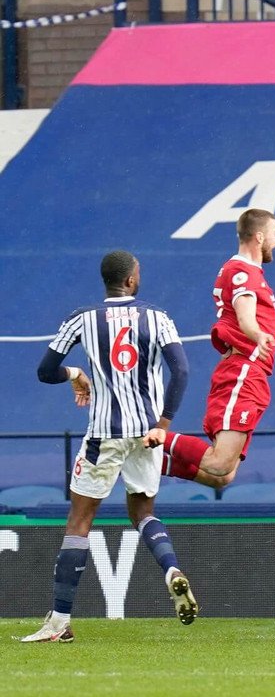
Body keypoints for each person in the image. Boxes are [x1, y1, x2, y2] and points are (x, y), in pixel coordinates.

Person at [22, 251, 197, 642]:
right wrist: (163, 424)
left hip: (104, 435)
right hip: (146, 434)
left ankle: (58, 623)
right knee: (143, 513)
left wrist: (76, 373)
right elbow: (182, 370)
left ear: (107, 281)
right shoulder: (157, 317)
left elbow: (44, 371)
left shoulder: (82, 318)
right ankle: (171, 569)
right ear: (132, 279)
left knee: (80, 521)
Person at [161, 208, 275, 488]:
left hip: (252, 374)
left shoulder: (247, 272)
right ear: (259, 236)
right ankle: (142, 434)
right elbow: (245, 317)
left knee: (222, 477)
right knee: (217, 463)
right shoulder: (242, 271)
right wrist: (258, 335)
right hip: (243, 373)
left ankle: (153, 458)